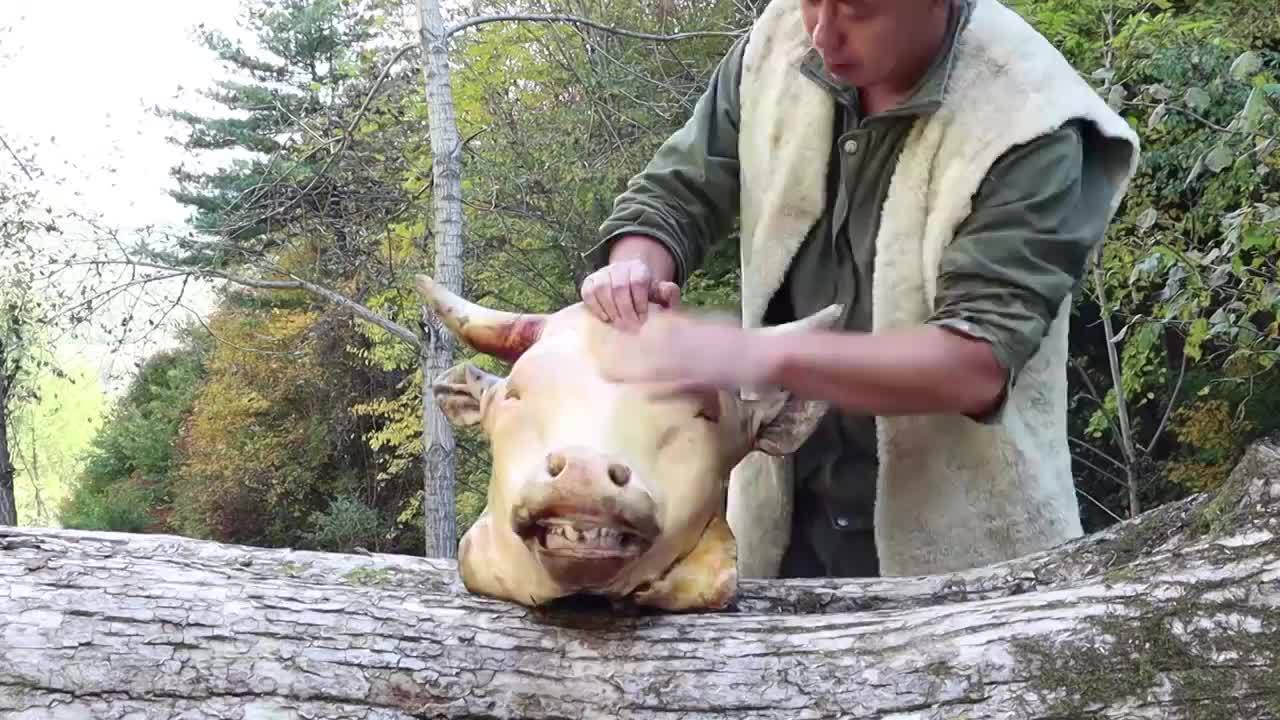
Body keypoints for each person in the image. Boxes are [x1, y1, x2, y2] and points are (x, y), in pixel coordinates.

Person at [579, 0, 1140, 580]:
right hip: (778, 544)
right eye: (810, 1)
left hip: (968, 573)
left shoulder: (1029, 114)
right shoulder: (775, 43)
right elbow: (676, 194)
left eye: (858, 10)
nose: (823, 33)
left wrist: (753, 354)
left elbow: (975, 364)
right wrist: (635, 272)